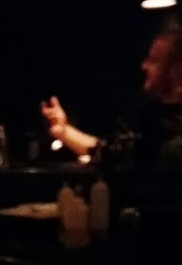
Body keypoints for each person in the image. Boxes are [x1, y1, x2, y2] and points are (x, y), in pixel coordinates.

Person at [41, 26, 182, 167]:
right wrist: (65, 132)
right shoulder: (157, 120)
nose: (144, 66)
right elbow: (116, 154)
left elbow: (131, 158)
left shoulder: (170, 138)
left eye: (155, 60)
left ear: (177, 70)